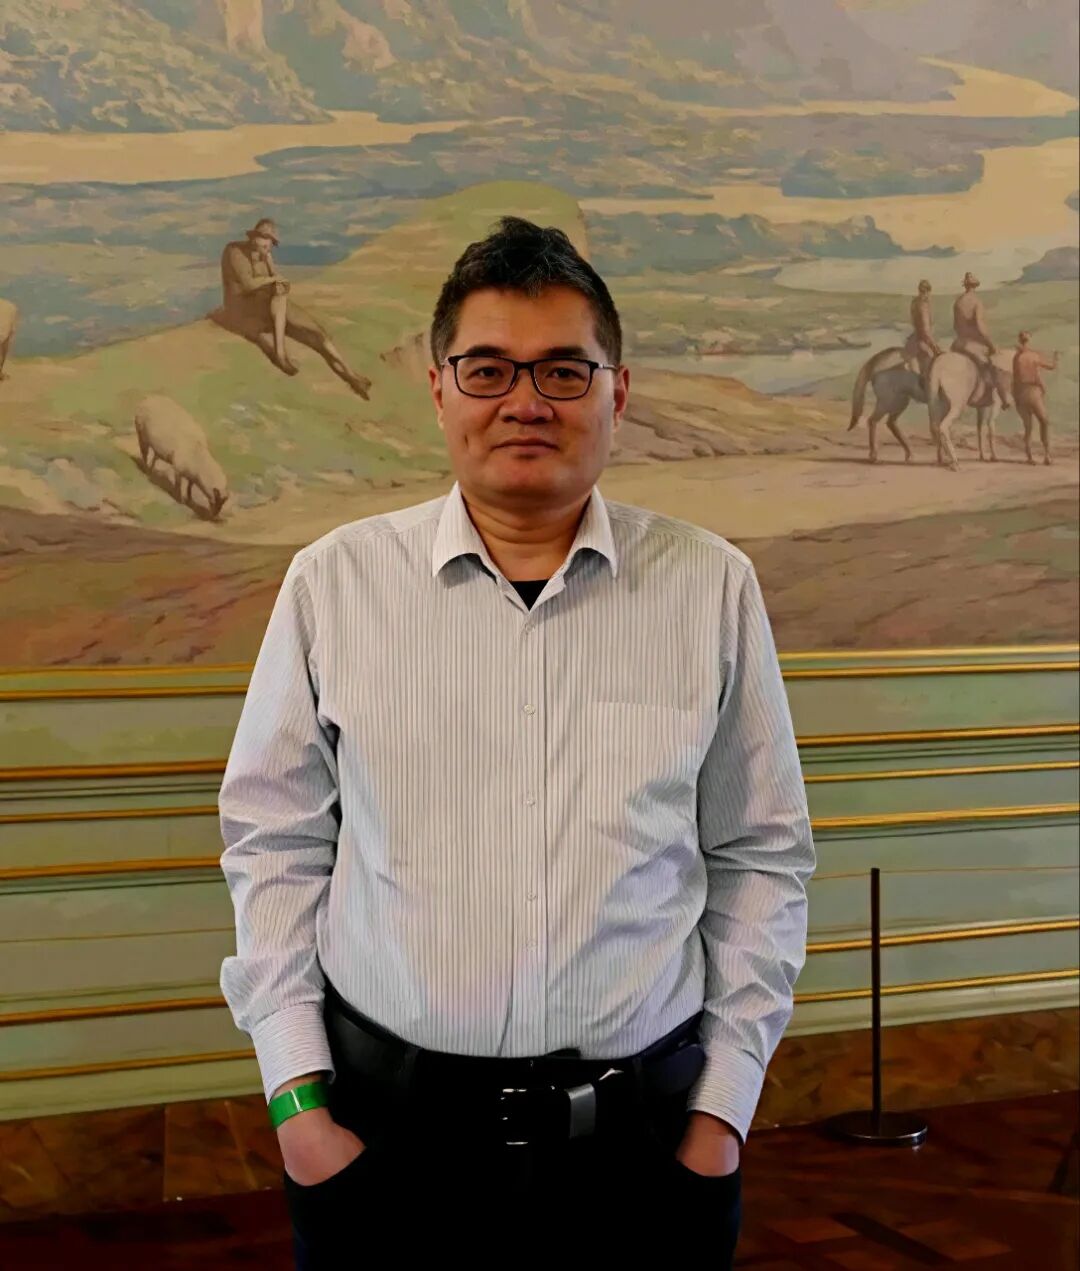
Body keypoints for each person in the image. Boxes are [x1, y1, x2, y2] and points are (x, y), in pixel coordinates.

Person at [218, 216, 815, 1266]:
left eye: (563, 370)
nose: (526, 401)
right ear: (439, 389)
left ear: (617, 392)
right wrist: (300, 1106)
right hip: (382, 1150)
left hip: (646, 1156)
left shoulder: (711, 587)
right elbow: (274, 841)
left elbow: (761, 852)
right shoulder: (334, 585)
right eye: (488, 368)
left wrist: (721, 1114)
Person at [214, 218, 372, 398]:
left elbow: (277, 280)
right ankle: (280, 354)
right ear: (253, 238)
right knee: (280, 299)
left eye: (270, 241)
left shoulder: (266, 255)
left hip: (268, 306)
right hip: (243, 308)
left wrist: (277, 278)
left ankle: (352, 376)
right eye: (264, 239)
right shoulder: (234, 251)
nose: (268, 245)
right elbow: (248, 284)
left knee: (317, 334)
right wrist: (275, 280)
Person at [951, 271, 1010, 409]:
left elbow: (955, 326)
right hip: (972, 345)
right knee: (994, 365)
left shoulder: (958, 302)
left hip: (958, 343)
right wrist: (991, 344)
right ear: (975, 286)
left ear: (965, 286)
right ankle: (1003, 398)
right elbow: (980, 326)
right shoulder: (976, 302)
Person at [1013, 331, 1059, 465]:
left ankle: (1030, 456)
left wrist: (1015, 397)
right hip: (1033, 392)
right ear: (1029, 340)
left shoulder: (1016, 357)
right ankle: (1047, 455)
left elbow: (1016, 379)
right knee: (1044, 421)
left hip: (1021, 393)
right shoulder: (1033, 355)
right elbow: (1050, 367)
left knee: (1028, 427)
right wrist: (1056, 358)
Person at [903, 279, 941, 391]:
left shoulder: (914, 302)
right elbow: (925, 330)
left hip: (914, 338)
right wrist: (935, 346)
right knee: (935, 361)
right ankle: (927, 388)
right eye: (929, 293)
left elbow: (914, 323)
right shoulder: (924, 305)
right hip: (921, 341)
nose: (929, 296)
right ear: (927, 292)